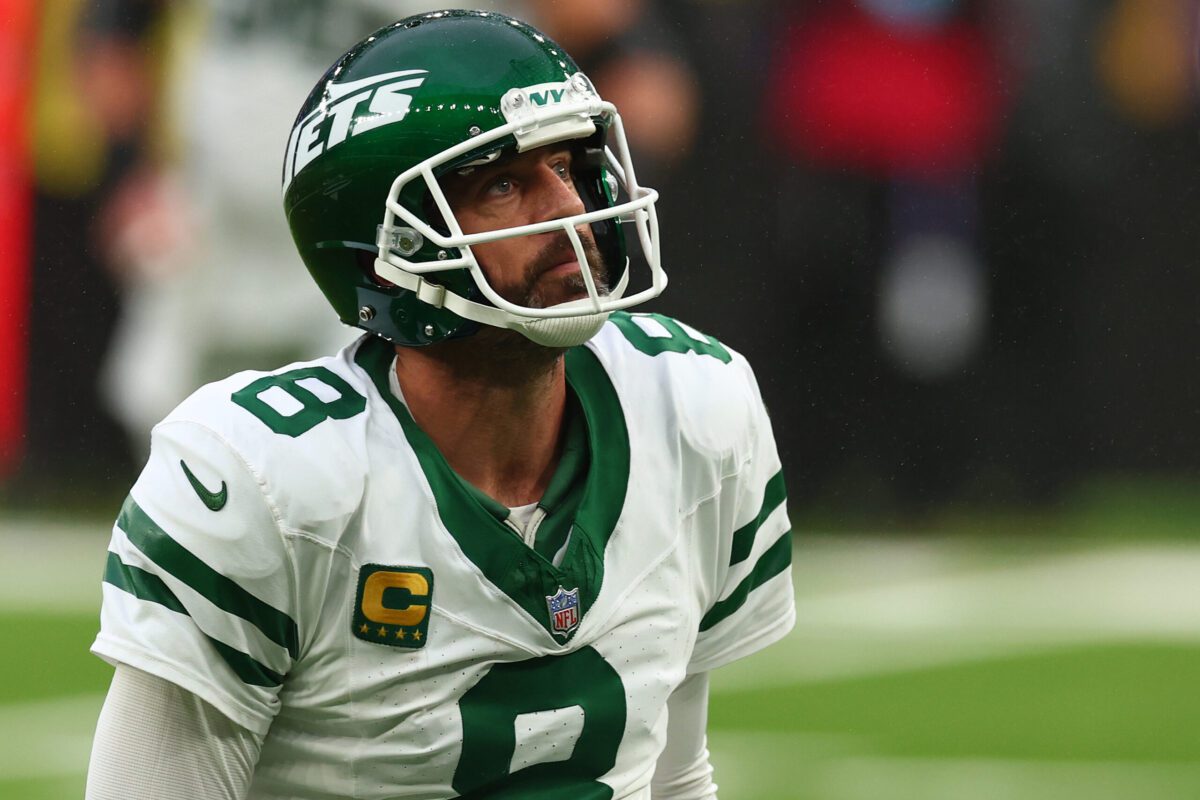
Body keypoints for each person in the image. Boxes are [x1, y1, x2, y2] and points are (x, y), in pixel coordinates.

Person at [86, 10, 794, 799]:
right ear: (390, 254)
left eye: (566, 166)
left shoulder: (695, 405)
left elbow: (675, 775)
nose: (568, 210)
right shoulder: (261, 481)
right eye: (503, 184)